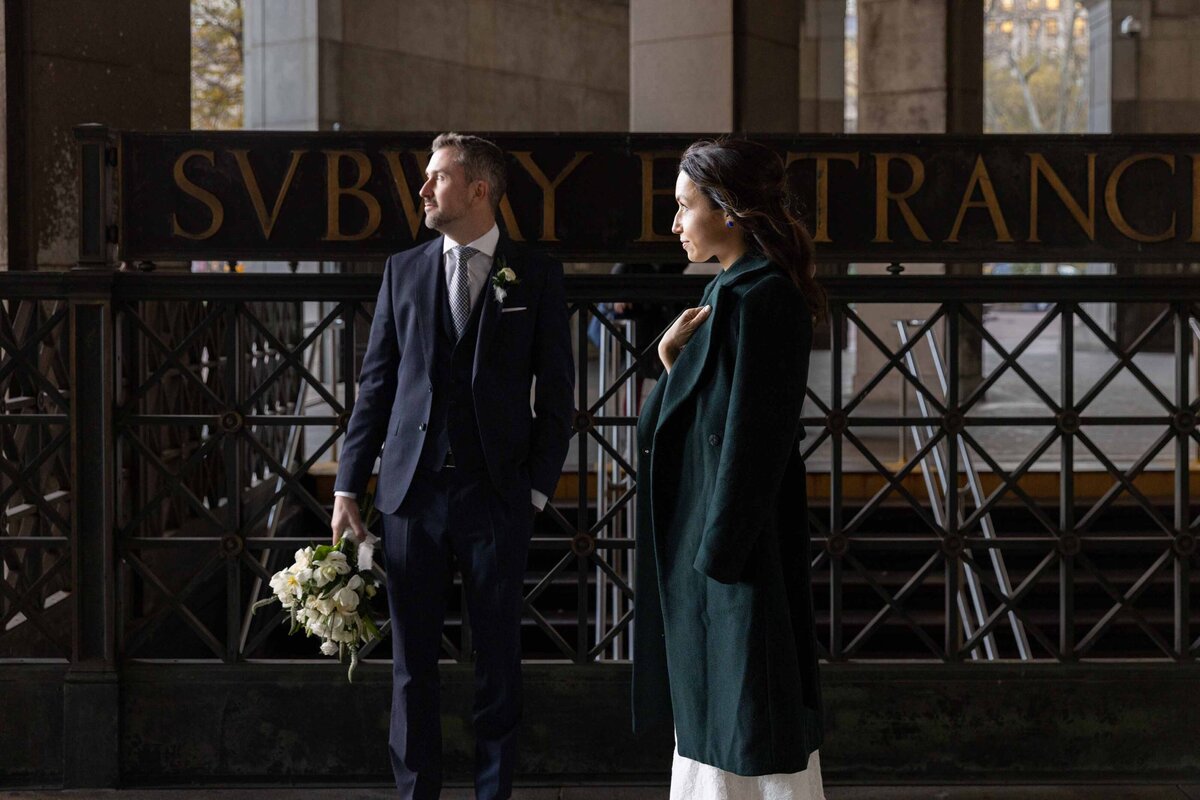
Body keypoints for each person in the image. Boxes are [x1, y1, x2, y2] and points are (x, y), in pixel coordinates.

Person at [331, 132, 574, 800]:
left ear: (479, 189)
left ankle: (493, 795)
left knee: (498, 661)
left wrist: (533, 492)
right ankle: (418, 795)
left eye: (437, 177)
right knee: (412, 666)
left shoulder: (535, 273)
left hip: (497, 496)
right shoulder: (403, 270)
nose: (423, 189)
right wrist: (350, 484)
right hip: (411, 494)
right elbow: (376, 385)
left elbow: (558, 397)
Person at [632, 138, 828, 800]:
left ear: (730, 210)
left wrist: (717, 559)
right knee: (718, 724)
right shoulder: (725, 291)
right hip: (709, 550)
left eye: (685, 207)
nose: (675, 223)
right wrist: (669, 360)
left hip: (735, 556)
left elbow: (755, 441)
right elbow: (663, 429)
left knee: (748, 725)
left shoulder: (765, 297)